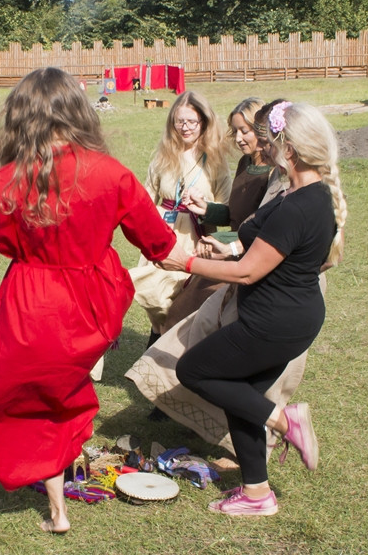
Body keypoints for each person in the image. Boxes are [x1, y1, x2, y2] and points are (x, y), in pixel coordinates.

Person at [0, 67, 176, 534]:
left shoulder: (9, 179)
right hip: (93, 303)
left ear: (21, 118)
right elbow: (161, 245)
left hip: (34, 306)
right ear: (78, 112)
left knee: (13, 398)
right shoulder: (112, 173)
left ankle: (54, 493)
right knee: (61, 393)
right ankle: (59, 499)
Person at [156, 101, 347, 517]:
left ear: (290, 149)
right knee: (242, 395)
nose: (263, 144)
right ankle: (257, 494)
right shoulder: (301, 192)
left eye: (271, 139)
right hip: (287, 317)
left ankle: (285, 421)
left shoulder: (300, 205)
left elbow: (244, 273)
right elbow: (254, 245)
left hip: (274, 323)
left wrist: (183, 261)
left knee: (195, 370)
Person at [154, 98, 270, 332]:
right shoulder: (246, 163)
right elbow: (235, 216)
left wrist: (221, 243)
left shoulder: (272, 175)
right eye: (234, 131)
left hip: (245, 260)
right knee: (177, 311)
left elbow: (260, 231)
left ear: (261, 130)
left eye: (244, 131)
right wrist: (206, 208)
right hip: (227, 253)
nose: (238, 138)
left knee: (187, 316)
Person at [129, 91, 231, 348]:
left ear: (204, 123)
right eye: (179, 121)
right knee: (156, 299)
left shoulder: (216, 160)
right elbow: (144, 199)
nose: (185, 128)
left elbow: (229, 208)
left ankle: (165, 357)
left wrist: (205, 208)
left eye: (192, 122)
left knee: (180, 303)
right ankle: (155, 352)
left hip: (197, 240)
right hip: (163, 234)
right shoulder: (163, 156)